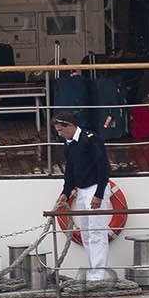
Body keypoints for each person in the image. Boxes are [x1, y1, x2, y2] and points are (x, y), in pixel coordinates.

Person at [55, 115, 112, 284]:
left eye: (60, 130)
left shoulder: (91, 140)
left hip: (95, 187)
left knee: (96, 233)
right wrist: (66, 191)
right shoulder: (70, 145)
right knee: (87, 233)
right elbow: (70, 170)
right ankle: (93, 273)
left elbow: (103, 166)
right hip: (82, 190)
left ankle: (98, 277)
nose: (59, 134)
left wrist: (99, 194)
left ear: (70, 126)